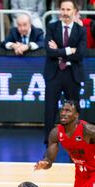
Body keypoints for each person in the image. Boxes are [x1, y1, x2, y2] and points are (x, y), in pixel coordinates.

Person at [35, 100, 95, 187]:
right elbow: (49, 160)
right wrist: (45, 163)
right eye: (62, 110)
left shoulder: (88, 130)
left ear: (76, 115)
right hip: (81, 173)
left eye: (68, 111)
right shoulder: (56, 133)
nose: (63, 113)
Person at [43, 0, 87, 145]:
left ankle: (75, 138)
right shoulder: (51, 27)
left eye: (68, 10)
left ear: (74, 11)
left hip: (72, 73)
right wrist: (69, 50)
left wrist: (59, 51)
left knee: (74, 108)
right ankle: (49, 140)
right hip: (54, 73)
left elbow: (80, 54)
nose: (65, 13)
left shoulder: (81, 30)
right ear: (59, 10)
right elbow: (50, 52)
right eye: (62, 9)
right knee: (50, 108)